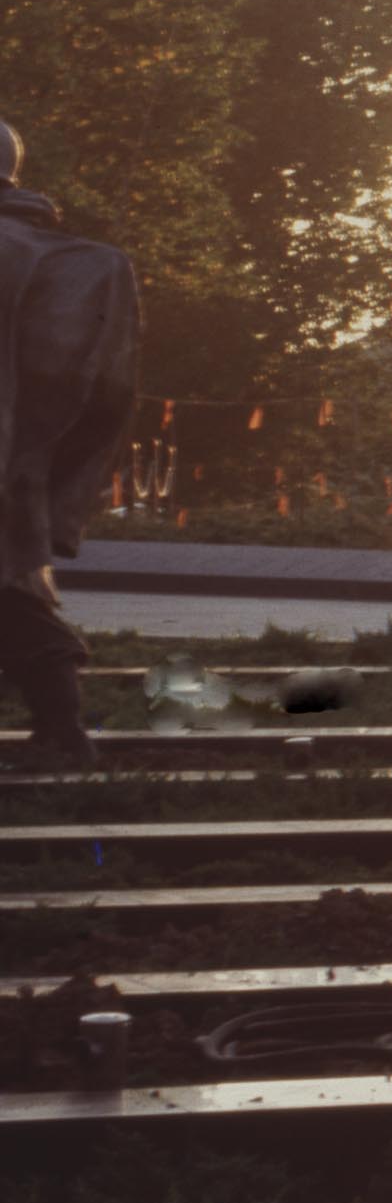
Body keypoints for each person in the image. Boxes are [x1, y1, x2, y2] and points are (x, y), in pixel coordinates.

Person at [0, 121, 147, 773]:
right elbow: (107, 395)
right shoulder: (75, 260)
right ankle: (61, 730)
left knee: (13, 595)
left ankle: (65, 734)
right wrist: (45, 461)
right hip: (26, 459)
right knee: (13, 582)